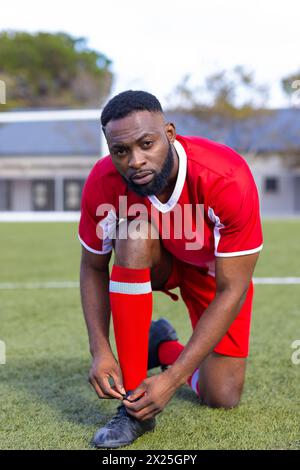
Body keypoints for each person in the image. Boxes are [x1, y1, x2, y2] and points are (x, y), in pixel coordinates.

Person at [78, 90, 263, 448]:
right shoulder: (104, 183)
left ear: (170, 133)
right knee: (133, 231)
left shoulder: (226, 176)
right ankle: (133, 407)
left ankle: (161, 345)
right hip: (155, 258)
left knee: (222, 395)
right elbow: (93, 266)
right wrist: (100, 349)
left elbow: (233, 289)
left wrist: (175, 377)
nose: (136, 160)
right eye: (121, 151)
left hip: (214, 274)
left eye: (146, 143)